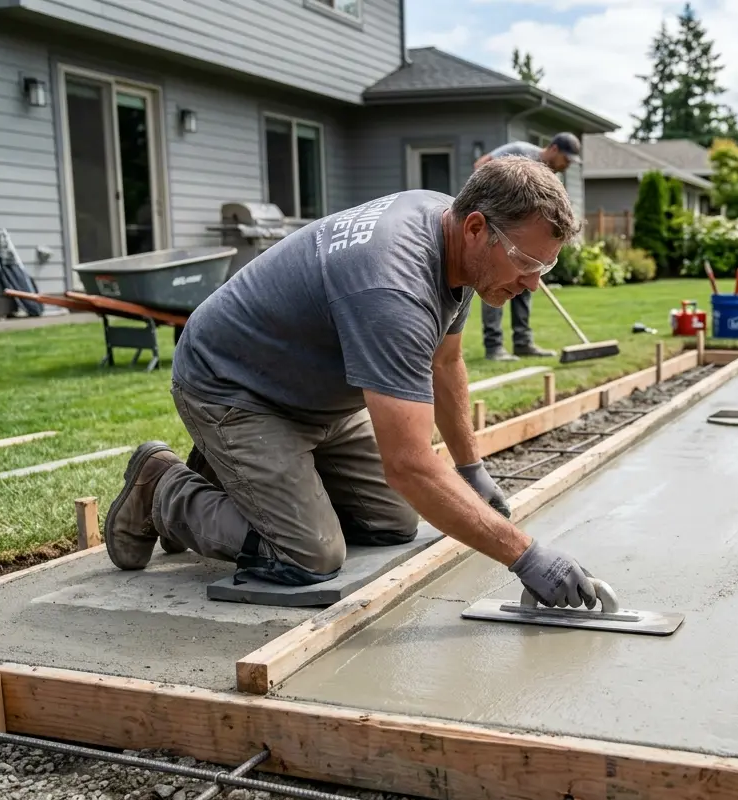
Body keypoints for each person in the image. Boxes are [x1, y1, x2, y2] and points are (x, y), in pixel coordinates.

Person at [101, 156, 601, 611]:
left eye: (546, 265)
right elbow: (409, 465)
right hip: (236, 387)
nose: (535, 282)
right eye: (528, 262)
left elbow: (444, 363)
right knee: (308, 558)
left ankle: (237, 473)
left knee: (393, 526)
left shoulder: (455, 237)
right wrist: (524, 556)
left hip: (312, 394)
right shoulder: (393, 287)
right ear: (476, 228)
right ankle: (162, 486)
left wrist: (470, 470)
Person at [472, 132, 583, 362]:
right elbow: (481, 165)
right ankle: (494, 346)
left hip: (526, 241)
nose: (568, 165)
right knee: (497, 283)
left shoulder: (553, 176)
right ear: (553, 148)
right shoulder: (521, 152)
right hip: (500, 232)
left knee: (523, 288)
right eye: (567, 159)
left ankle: (523, 343)